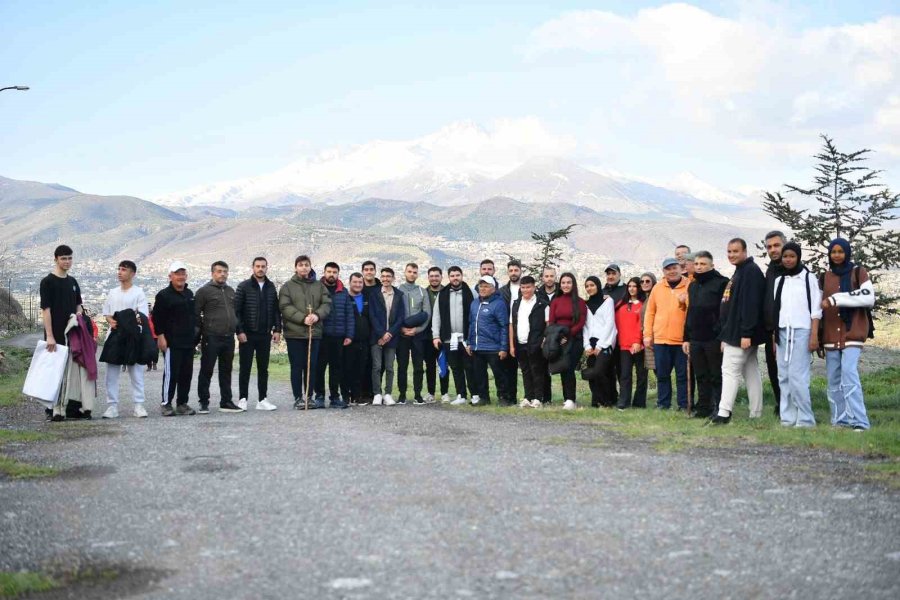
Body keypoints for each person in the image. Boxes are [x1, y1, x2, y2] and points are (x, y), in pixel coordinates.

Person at [820, 238, 875, 431]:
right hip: (830, 336)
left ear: (847, 252)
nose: (836, 255)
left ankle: (860, 421)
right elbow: (818, 307)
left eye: (840, 251)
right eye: (833, 252)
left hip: (852, 333)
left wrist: (836, 299)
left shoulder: (858, 272)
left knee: (849, 374)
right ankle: (840, 421)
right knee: (834, 379)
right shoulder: (824, 277)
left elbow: (869, 297)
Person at [712, 238, 767, 424]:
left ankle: (724, 413)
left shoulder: (750, 272)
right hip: (735, 333)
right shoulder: (742, 271)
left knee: (729, 371)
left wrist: (746, 333)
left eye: (735, 251)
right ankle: (756, 412)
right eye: (729, 251)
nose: (731, 255)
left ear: (745, 251)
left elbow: (751, 305)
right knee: (751, 372)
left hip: (740, 334)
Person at [771, 242, 822, 428]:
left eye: (792, 256)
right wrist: (775, 338)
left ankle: (806, 419)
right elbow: (777, 310)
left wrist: (814, 336)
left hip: (802, 332)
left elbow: (816, 310)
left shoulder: (808, 278)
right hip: (782, 332)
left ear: (798, 257)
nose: (788, 260)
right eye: (785, 256)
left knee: (798, 377)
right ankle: (787, 418)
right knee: (783, 376)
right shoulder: (780, 281)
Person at [279, 255, 332, 409]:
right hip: (294, 333)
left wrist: (317, 315)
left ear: (310, 267)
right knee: (297, 366)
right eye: (301, 265)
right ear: (296, 267)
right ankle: (298, 398)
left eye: (306, 265)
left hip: (313, 333)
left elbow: (327, 303)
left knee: (311, 366)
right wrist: (303, 318)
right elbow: (285, 306)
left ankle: (309, 396)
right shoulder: (287, 286)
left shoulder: (319, 286)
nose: (304, 267)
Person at [40, 244, 86, 420]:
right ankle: (53, 408)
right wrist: (50, 335)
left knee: (71, 371)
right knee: (54, 371)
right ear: (56, 259)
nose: (67, 261)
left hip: (72, 333)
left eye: (70, 258)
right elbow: (46, 310)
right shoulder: (47, 282)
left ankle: (69, 407)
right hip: (55, 333)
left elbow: (78, 305)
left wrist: (79, 315)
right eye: (64, 258)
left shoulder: (73, 282)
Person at [101, 260, 149, 419]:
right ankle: (112, 406)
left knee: (136, 372)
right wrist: (111, 321)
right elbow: (107, 313)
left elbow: (142, 316)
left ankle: (139, 405)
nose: (120, 272)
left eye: (124, 269)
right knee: (111, 373)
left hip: (132, 337)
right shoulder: (112, 292)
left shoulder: (138, 293)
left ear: (132, 273)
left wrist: (128, 322)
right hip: (114, 335)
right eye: (119, 269)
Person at [683, 251, 728, 418]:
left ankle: (720, 408)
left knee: (716, 375)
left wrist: (721, 335)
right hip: (696, 337)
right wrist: (686, 338)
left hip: (714, 338)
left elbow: (725, 311)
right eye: (696, 264)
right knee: (701, 375)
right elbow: (690, 311)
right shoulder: (693, 285)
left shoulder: (722, 283)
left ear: (711, 265)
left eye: (703, 264)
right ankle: (704, 407)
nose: (699, 267)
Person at [234, 256, 281, 412]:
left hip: (265, 334)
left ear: (267, 268)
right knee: (245, 367)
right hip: (247, 334)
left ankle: (262, 399)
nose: (260, 269)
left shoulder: (271, 287)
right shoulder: (244, 286)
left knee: (263, 368)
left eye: (263, 266)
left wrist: (277, 330)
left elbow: (276, 310)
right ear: (253, 268)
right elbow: (236, 311)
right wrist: (239, 331)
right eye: (258, 266)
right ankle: (242, 399)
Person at [195, 261, 242, 414]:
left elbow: (235, 313)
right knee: (207, 370)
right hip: (211, 337)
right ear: (213, 273)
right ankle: (203, 402)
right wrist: (201, 332)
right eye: (219, 271)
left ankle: (226, 401)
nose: (222, 274)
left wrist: (238, 331)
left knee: (226, 370)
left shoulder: (230, 291)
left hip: (228, 337)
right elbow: (195, 314)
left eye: (225, 271)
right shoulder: (204, 291)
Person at [643, 258, 690, 410]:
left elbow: (694, 310)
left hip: (682, 340)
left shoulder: (689, 285)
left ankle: (684, 404)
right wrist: (647, 335)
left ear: (680, 268)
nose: (672, 271)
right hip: (661, 339)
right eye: (668, 269)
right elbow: (650, 312)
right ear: (663, 271)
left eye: (674, 268)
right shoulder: (657, 288)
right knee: (662, 374)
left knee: (682, 376)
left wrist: (685, 301)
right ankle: (663, 403)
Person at [152, 261, 197, 416]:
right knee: (171, 374)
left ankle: (182, 403)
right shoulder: (163, 295)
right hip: (171, 342)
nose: (180, 277)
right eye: (177, 274)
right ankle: (166, 403)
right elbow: (157, 318)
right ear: (170, 276)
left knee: (186, 374)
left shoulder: (189, 294)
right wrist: (161, 337)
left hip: (188, 341)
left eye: (183, 274)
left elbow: (193, 317)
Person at [313, 262, 353, 409]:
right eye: (329, 271)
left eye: (334, 272)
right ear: (324, 272)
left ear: (338, 274)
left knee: (336, 368)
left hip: (339, 336)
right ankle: (319, 396)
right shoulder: (317, 289)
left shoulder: (343, 291)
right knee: (319, 367)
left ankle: (335, 397)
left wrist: (349, 335)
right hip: (321, 335)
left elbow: (349, 314)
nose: (331, 274)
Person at [432, 266, 474, 405]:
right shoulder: (442, 294)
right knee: (456, 368)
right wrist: (436, 336)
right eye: (452, 276)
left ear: (462, 276)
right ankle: (461, 395)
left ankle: (475, 394)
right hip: (449, 339)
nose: (455, 278)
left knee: (469, 367)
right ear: (448, 277)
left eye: (457, 275)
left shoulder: (471, 292)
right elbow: (436, 316)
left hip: (466, 338)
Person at [465, 276, 509, 406]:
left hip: (494, 347)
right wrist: (469, 343)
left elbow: (504, 326)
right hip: (477, 346)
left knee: (499, 374)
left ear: (493, 288)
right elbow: (471, 324)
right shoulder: (474, 303)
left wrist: (503, 347)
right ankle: (484, 397)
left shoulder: (499, 304)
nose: (483, 289)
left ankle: (503, 397)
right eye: (481, 286)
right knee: (480, 374)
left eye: (486, 286)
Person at [548, 273, 587, 410]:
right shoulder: (556, 301)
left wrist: (568, 335)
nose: (566, 285)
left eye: (568, 282)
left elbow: (581, 322)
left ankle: (571, 399)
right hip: (559, 340)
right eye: (563, 283)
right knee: (563, 368)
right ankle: (567, 399)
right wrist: (558, 337)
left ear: (573, 284)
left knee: (569, 367)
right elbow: (551, 322)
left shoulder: (580, 302)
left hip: (575, 340)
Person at [368, 267, 405, 405]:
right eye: (383, 276)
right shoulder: (374, 294)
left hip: (392, 336)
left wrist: (389, 334)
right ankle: (377, 394)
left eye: (388, 276)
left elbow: (401, 317)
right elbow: (372, 316)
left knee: (389, 367)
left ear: (393, 278)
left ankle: (388, 393)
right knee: (377, 367)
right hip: (377, 336)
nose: (385, 279)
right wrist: (382, 334)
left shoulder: (399, 295)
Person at [510, 275, 548, 408]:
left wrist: (544, 340)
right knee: (525, 371)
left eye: (528, 287)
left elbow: (548, 323)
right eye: (523, 287)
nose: (525, 290)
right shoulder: (516, 304)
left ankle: (538, 398)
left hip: (536, 343)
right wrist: (512, 345)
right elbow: (511, 324)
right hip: (520, 343)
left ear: (534, 287)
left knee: (537, 370)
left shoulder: (542, 304)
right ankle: (528, 397)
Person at [396, 263, 431, 405]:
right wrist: (401, 329)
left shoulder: (422, 291)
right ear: (405, 272)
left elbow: (427, 314)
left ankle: (417, 394)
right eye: (409, 271)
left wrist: (417, 330)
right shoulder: (398, 290)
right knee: (402, 365)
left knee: (418, 366)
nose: (412, 274)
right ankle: (402, 395)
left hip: (418, 335)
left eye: (414, 272)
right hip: (402, 334)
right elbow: (393, 313)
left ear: (417, 274)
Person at [583, 276, 617, 408]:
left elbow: (609, 324)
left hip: (605, 342)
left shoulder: (607, 301)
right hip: (590, 343)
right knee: (592, 373)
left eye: (592, 285)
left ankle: (607, 400)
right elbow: (585, 327)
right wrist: (587, 345)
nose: (589, 288)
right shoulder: (585, 305)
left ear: (598, 285)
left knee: (600, 371)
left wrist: (600, 346)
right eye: (587, 286)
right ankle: (596, 401)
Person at [762, 230, 786, 416]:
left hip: (788, 331)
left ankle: (792, 406)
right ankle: (780, 405)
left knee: (789, 372)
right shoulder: (770, 270)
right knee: (773, 370)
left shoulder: (793, 270)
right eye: (769, 247)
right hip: (770, 331)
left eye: (776, 245)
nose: (773, 250)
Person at [615, 277, 648, 409]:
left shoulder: (642, 305)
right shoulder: (621, 305)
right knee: (625, 375)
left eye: (634, 286)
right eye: (629, 286)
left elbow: (641, 325)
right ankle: (624, 401)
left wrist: (637, 341)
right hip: (624, 345)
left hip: (639, 345)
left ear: (639, 288)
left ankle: (639, 402)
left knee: (641, 375)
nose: (632, 289)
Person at [344, 273, 371, 405]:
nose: (358, 285)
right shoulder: (345, 298)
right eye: (355, 282)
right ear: (350, 282)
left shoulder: (367, 299)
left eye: (360, 282)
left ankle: (357, 395)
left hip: (364, 340)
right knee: (347, 368)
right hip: (349, 340)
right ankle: (346, 396)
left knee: (361, 369)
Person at [499, 260, 522, 407]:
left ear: (520, 271)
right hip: (508, 332)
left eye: (516, 270)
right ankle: (510, 397)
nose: (513, 273)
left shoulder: (526, 288)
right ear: (508, 272)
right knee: (509, 368)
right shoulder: (502, 291)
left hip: (524, 331)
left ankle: (533, 397)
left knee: (529, 367)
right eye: (511, 270)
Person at [423, 267, 448, 402]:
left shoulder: (447, 292)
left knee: (443, 364)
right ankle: (431, 392)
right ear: (428, 278)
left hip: (443, 335)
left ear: (441, 277)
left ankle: (444, 393)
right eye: (431, 276)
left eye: (436, 276)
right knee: (430, 365)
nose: (434, 278)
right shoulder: (424, 293)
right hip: (427, 336)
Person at [536, 266, 558, 402]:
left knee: (564, 368)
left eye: (551, 276)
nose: (549, 279)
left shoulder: (562, 292)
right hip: (542, 336)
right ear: (542, 278)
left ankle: (569, 398)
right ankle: (546, 398)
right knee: (542, 368)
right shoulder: (538, 294)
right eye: (546, 276)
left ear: (555, 277)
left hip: (559, 334)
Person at [359, 260, 378, 401]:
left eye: (371, 269)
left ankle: (375, 392)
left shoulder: (381, 288)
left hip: (378, 333)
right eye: (366, 269)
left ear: (375, 271)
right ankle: (362, 393)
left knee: (377, 364)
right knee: (363, 363)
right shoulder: (358, 288)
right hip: (363, 333)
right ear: (362, 272)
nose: (369, 272)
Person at [639, 272, 657, 375]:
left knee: (660, 370)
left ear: (653, 282)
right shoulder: (647, 298)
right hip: (648, 337)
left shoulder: (655, 297)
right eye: (642, 281)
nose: (644, 283)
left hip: (654, 338)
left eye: (647, 281)